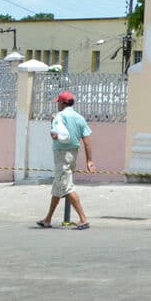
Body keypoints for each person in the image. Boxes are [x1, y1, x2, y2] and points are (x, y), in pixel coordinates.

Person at [37, 90, 95, 230]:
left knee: (66, 186)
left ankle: (83, 219)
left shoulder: (59, 117)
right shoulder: (79, 118)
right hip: (73, 153)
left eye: (58, 102)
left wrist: (52, 122)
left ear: (63, 103)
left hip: (62, 154)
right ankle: (48, 219)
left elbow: (55, 136)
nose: (57, 105)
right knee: (58, 186)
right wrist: (89, 161)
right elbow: (87, 142)